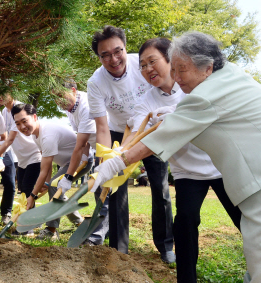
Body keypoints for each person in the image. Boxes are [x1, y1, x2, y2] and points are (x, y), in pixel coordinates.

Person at [92, 32, 261, 283]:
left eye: (181, 69)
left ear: (206, 67)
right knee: (257, 243)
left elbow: (168, 131)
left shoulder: (207, 93)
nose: (176, 76)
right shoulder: (223, 77)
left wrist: (116, 164)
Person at [132, 37, 242, 283]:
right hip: (187, 173)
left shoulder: (194, 84)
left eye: (152, 61)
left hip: (220, 165)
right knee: (185, 223)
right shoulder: (146, 101)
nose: (148, 69)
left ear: (171, 60)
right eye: (143, 65)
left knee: (245, 222)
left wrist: (174, 114)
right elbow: (139, 133)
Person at [88, 25, 174, 259]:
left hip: (152, 131)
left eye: (118, 51)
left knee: (160, 186)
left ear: (126, 49)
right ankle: (119, 249)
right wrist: (104, 161)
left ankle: (165, 245)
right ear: (99, 57)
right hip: (118, 135)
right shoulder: (95, 82)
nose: (113, 59)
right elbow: (102, 127)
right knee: (116, 190)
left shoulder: (143, 65)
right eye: (105, 55)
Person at [13, 103, 92, 240]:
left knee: (55, 187)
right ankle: (80, 222)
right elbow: (47, 165)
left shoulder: (47, 135)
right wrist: (47, 182)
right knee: (55, 188)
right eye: (18, 124)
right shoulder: (35, 135)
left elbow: (43, 171)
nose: (22, 127)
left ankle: (51, 230)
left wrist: (32, 195)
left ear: (34, 117)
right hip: (67, 163)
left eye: (24, 121)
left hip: (81, 161)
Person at [52, 80, 108, 246]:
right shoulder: (70, 108)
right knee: (101, 191)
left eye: (62, 96)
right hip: (95, 148)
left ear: (74, 91)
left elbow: (79, 145)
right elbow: (83, 140)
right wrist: (85, 157)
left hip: (108, 148)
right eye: (56, 99)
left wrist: (69, 176)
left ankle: (97, 238)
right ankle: (104, 230)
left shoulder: (86, 106)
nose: (59, 102)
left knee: (103, 191)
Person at [0, 94, 42, 230]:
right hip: (22, 158)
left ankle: (28, 226)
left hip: (34, 154)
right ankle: (33, 220)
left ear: (11, 93)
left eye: (3, 94)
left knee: (27, 189)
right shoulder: (4, 111)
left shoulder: (20, 110)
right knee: (24, 191)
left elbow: (10, 139)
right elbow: (6, 137)